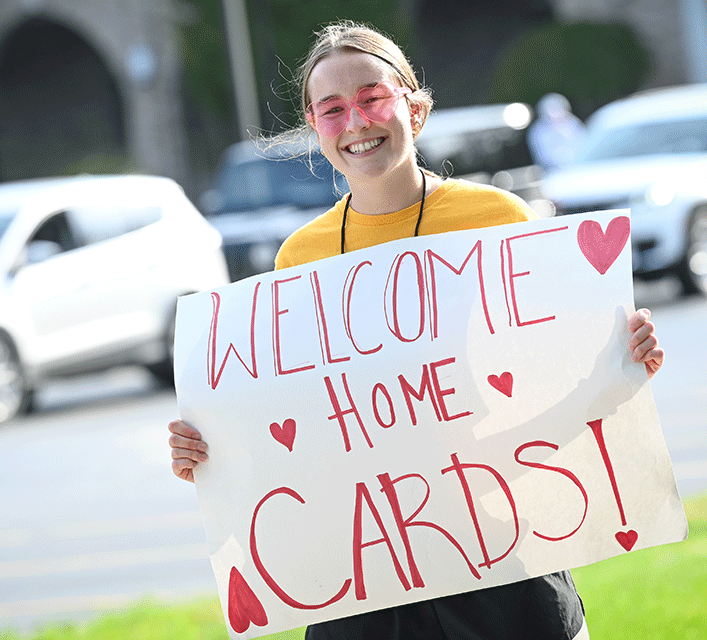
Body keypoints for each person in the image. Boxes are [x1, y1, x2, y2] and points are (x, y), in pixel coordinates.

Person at [169, 21, 664, 640]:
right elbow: (300, 422)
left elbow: (560, 371)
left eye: (373, 98)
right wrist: (213, 447)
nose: (357, 122)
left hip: (504, 548)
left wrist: (622, 361)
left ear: (414, 105)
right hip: (369, 572)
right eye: (333, 109)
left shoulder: (499, 220)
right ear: (315, 127)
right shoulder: (300, 259)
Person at [527, 93, 586, 173]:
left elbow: (584, 143)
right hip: (554, 173)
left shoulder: (573, 123)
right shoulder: (537, 131)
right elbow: (543, 157)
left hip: (580, 168)